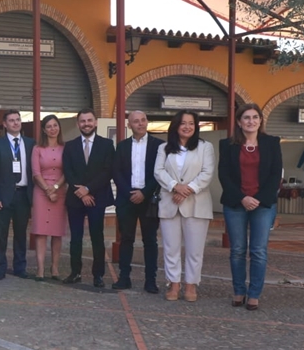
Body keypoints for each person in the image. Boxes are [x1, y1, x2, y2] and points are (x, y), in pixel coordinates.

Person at [218, 104, 282, 310]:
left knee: (258, 251)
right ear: (239, 122)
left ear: (260, 120)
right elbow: (224, 175)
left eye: (255, 117)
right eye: (246, 117)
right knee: (237, 250)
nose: (251, 121)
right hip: (236, 203)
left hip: (263, 204)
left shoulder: (271, 143)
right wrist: (242, 198)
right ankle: (238, 291)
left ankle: (254, 294)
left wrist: (259, 199)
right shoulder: (227, 144)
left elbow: (275, 174)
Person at [154, 110, 215, 302]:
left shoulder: (205, 147)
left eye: (191, 123)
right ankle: (174, 284)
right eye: (183, 123)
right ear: (175, 126)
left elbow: (207, 172)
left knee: (194, 249)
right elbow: (159, 171)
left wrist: (187, 189)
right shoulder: (164, 148)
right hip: (170, 203)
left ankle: (190, 285)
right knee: (170, 248)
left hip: (196, 203)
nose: (187, 126)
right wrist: (175, 187)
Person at [62, 108, 114, 287]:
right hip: (75, 199)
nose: (86, 124)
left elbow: (107, 171)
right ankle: (75, 272)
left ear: (96, 122)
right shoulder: (70, 145)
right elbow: (68, 171)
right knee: (75, 237)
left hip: (97, 197)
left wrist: (88, 189)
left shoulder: (107, 145)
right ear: (78, 124)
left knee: (97, 237)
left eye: (89, 120)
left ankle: (98, 275)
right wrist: (81, 192)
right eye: (83, 121)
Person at [112, 111, 163, 293]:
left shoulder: (159, 146)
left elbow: (159, 174)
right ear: (129, 125)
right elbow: (116, 172)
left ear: (147, 122)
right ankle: (124, 277)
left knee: (150, 241)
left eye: (143, 120)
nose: (140, 124)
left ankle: (151, 280)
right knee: (126, 239)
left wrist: (144, 193)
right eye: (136, 121)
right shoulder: (122, 146)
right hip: (127, 199)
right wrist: (129, 193)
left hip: (149, 200)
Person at [0, 109, 36, 280]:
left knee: (21, 233)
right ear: (5, 124)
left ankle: (20, 267)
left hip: (23, 195)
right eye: (12, 120)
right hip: (3, 196)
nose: (15, 123)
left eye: (18, 119)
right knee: (0, 234)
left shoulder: (31, 144)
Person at [30, 114, 68, 281]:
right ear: (44, 131)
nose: (53, 129)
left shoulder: (65, 148)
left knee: (56, 232)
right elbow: (36, 173)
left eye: (55, 125)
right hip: (41, 191)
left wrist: (56, 188)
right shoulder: (37, 149)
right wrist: (47, 190)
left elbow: (67, 171)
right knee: (41, 232)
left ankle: (54, 268)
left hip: (60, 191)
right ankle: (40, 269)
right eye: (49, 126)